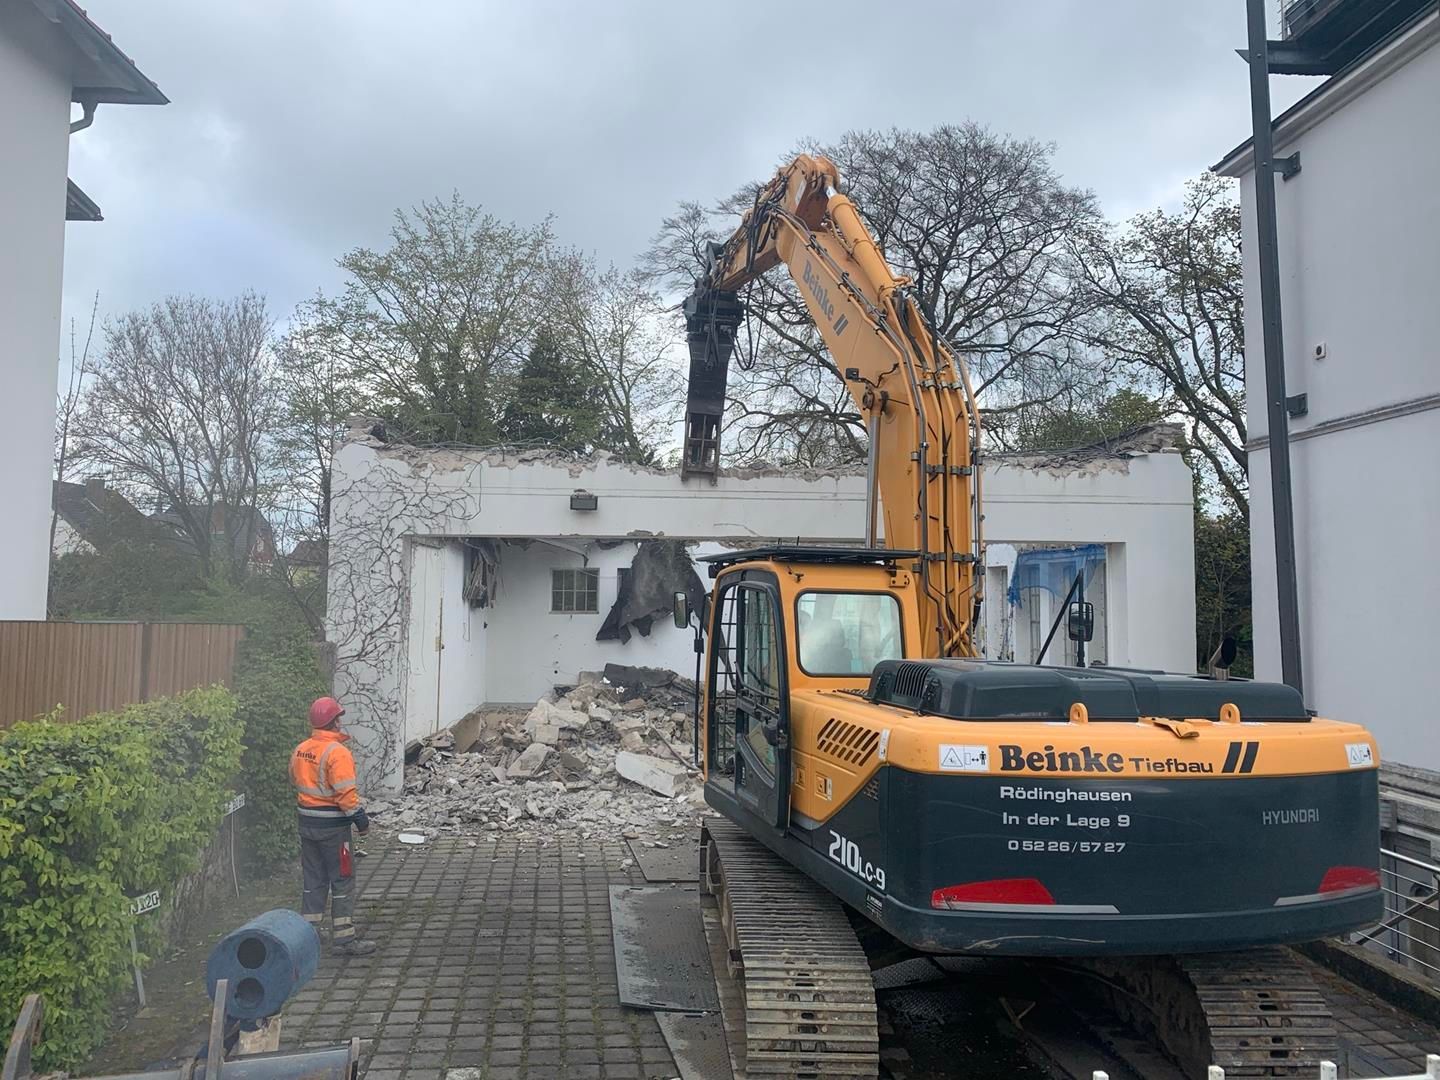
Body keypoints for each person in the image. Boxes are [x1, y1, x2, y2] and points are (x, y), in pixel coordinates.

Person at [290, 696, 376, 956]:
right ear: (333, 721)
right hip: (334, 829)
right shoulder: (337, 753)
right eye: (338, 717)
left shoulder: (301, 749)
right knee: (342, 878)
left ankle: (310, 933)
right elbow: (345, 793)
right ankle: (344, 938)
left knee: (314, 878)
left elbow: (295, 779)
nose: (341, 721)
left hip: (307, 824)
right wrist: (360, 820)